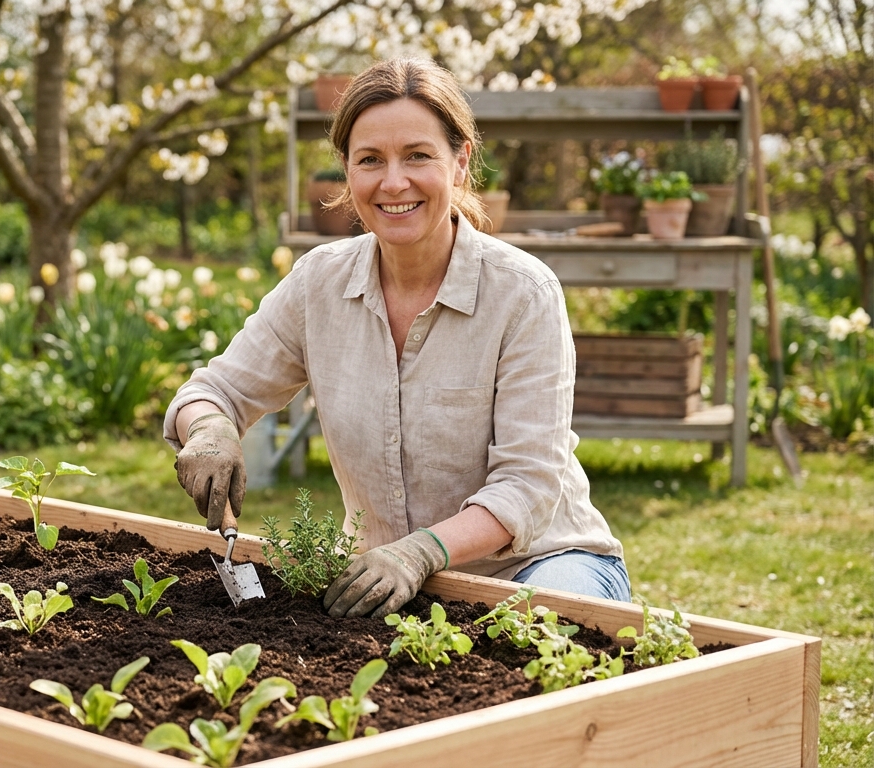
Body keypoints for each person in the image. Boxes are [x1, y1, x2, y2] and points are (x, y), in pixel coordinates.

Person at [164, 57, 628, 618]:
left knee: (544, 629)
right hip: (380, 574)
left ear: (460, 163)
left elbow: (527, 484)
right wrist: (212, 429)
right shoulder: (320, 284)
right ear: (347, 171)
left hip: (538, 563)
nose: (393, 182)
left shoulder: (523, 293)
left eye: (417, 156)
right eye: (370, 160)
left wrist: (423, 551)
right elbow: (215, 390)